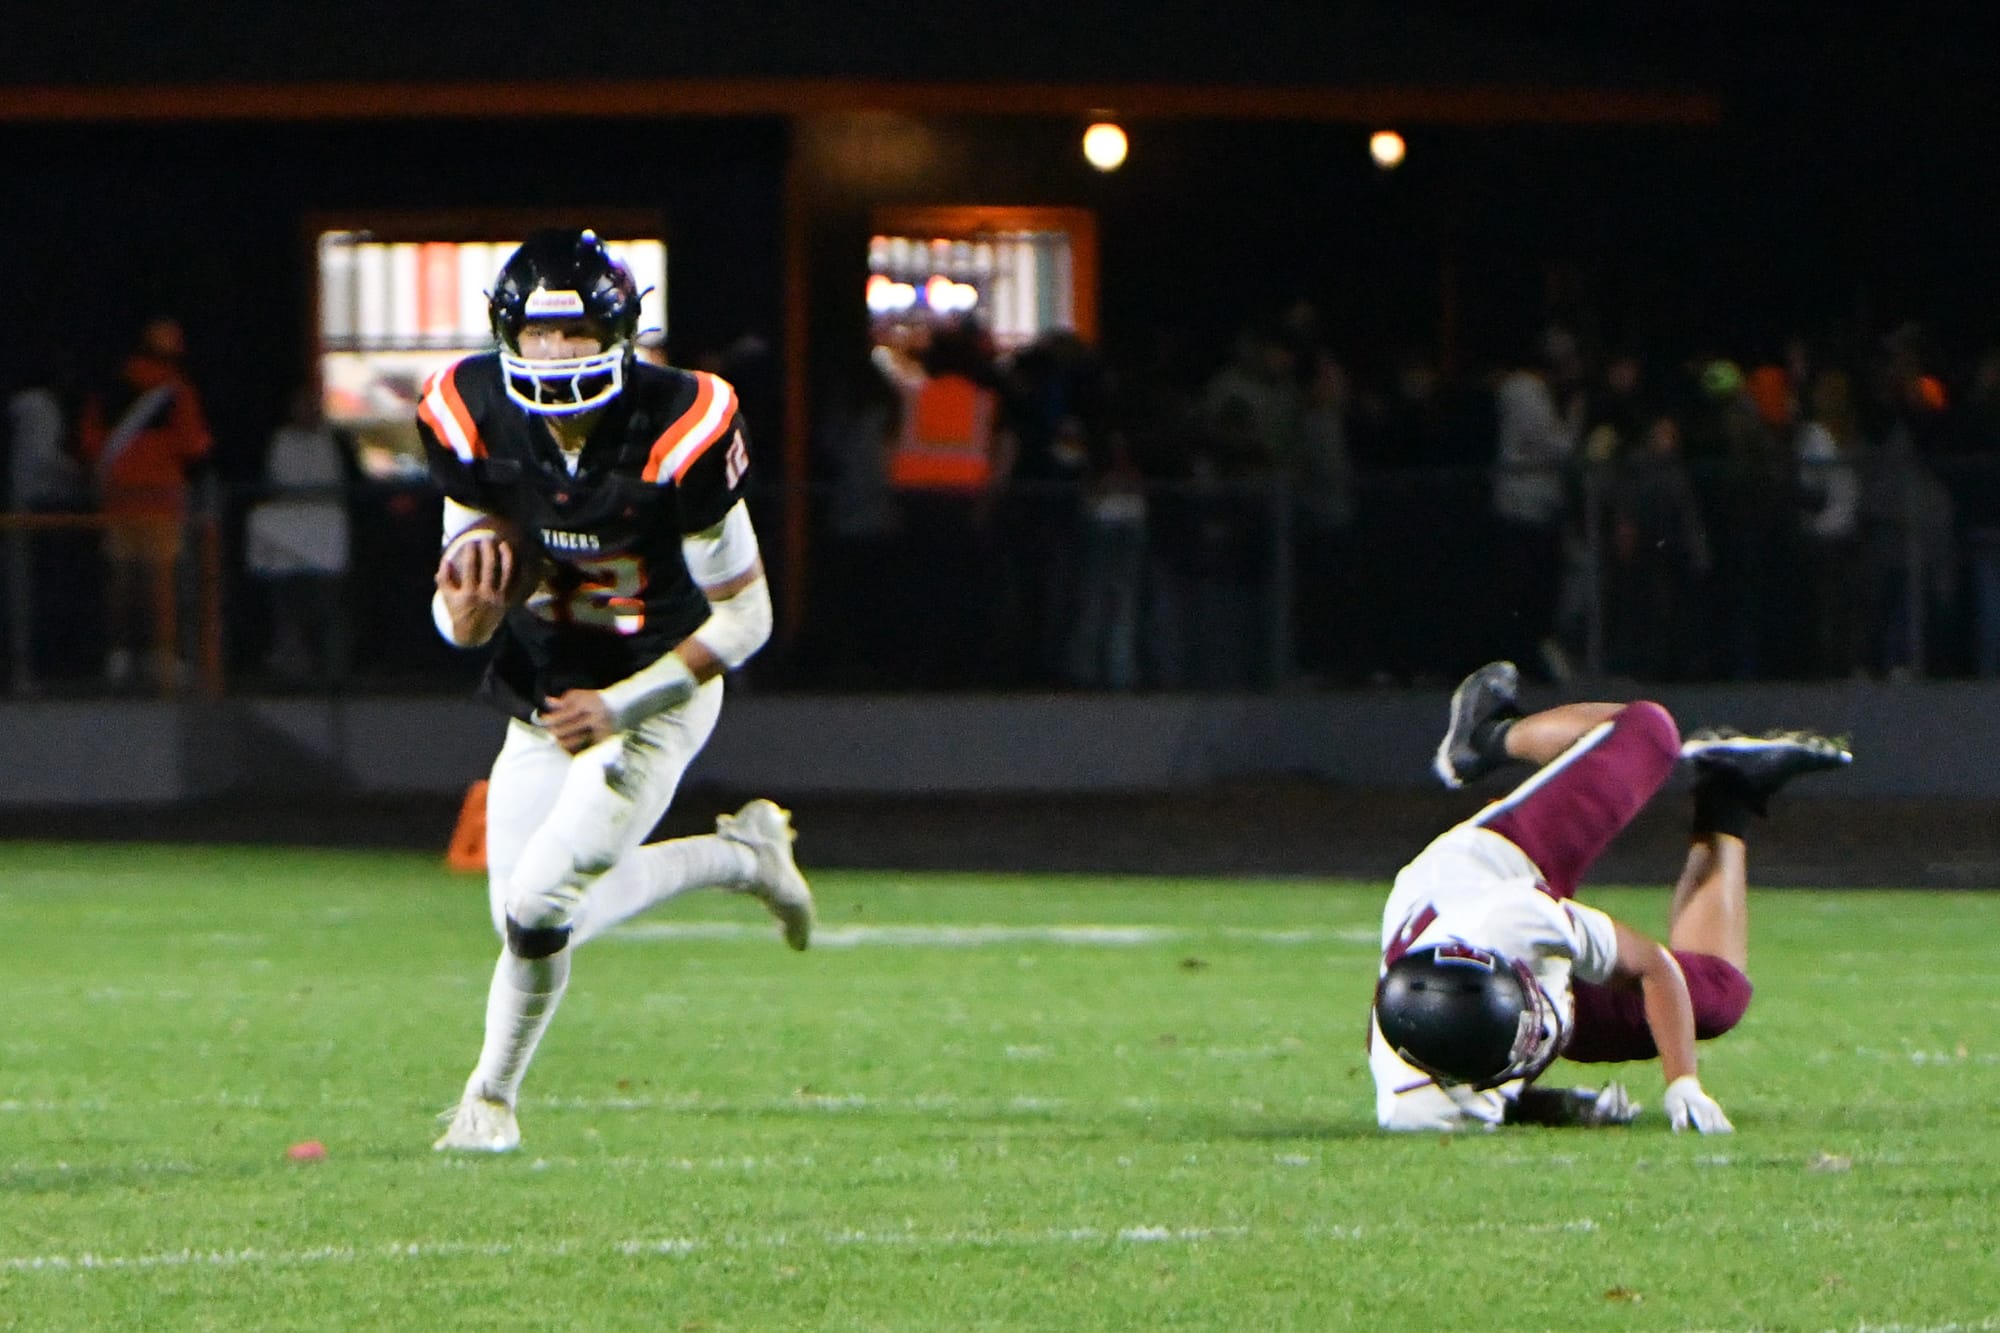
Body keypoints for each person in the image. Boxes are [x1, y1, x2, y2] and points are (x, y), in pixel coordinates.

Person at [418, 228, 815, 1153]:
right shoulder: (469, 408)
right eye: (540, 333)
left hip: (658, 688)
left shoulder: (681, 423)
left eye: (577, 331)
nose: (557, 353)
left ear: (623, 332)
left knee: (539, 906)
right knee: (528, 915)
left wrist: (624, 705)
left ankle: (488, 1104)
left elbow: (747, 620)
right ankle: (742, 859)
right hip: (544, 686)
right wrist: (463, 621)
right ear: (506, 334)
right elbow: (456, 598)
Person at [1369, 661, 1851, 1133]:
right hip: (1499, 964)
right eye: (1527, 1043)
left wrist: (1683, 1082)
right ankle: (1731, 792)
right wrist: (1564, 1108)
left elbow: (1651, 966)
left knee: (1650, 733)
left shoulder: (1520, 917)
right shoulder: (1416, 1104)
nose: (1540, 1041)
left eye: (1528, 1027)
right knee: (1722, 995)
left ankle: (1488, 737)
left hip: (1502, 861)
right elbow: (1498, 1108)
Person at [77, 317, 213, 690]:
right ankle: (161, 655)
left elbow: (90, 443)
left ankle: (119, 655)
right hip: (162, 501)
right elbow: (193, 445)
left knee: (122, 580)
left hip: (118, 499)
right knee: (161, 580)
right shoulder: (178, 392)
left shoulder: (108, 388)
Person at [244, 386, 354, 685]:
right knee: (287, 604)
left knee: (327, 604)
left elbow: (333, 482)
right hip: (287, 536)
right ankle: (292, 666)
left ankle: (333, 669)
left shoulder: (330, 441)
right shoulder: (282, 441)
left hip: (325, 535)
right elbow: (279, 482)